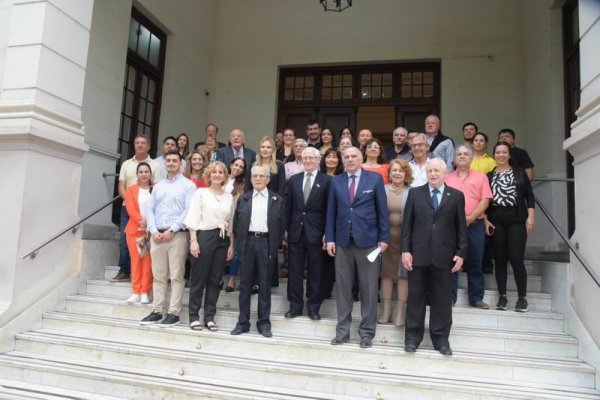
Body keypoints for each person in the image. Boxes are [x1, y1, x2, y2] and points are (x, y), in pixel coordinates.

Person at [401, 158, 468, 356]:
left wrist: (461, 253)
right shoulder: (415, 193)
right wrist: (405, 250)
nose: (432, 174)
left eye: (437, 170)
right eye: (430, 170)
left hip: (444, 256)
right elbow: (407, 226)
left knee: (442, 300)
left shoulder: (456, 196)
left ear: (445, 173)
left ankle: (441, 339)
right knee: (415, 299)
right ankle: (412, 337)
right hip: (418, 255)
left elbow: (461, 229)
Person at [326, 147, 390, 349]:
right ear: (343, 160)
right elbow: (331, 212)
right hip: (343, 243)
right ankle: (342, 332)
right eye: (347, 157)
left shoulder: (375, 180)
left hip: (369, 242)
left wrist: (384, 238)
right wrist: (330, 239)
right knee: (343, 289)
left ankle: (366, 333)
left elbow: (382, 210)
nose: (350, 159)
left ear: (361, 159)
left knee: (369, 289)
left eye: (354, 156)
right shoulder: (336, 181)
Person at [141, 151, 196, 326]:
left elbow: (188, 211)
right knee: (158, 275)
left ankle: (174, 312)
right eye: (168, 161)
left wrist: (172, 229)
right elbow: (150, 210)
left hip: (177, 235)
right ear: (164, 163)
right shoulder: (157, 186)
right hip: (157, 236)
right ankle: (157, 310)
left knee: (176, 275)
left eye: (175, 161)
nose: (171, 163)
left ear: (181, 164)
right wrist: (153, 230)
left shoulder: (188, 186)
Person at [230, 165, 286, 338]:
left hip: (266, 243)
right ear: (251, 178)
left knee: (264, 285)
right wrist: (239, 246)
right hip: (247, 243)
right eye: (255, 176)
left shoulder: (277, 199)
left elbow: (282, 225)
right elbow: (236, 224)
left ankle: (264, 323)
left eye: (262, 176)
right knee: (245, 285)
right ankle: (243, 322)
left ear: (268, 179)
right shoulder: (244, 199)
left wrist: (273, 245)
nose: (258, 179)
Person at [184, 161, 235, 331]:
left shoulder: (229, 197)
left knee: (215, 279)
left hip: (222, 239)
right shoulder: (201, 193)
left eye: (221, 172)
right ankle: (193, 316)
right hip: (204, 236)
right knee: (199, 278)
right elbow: (193, 218)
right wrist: (193, 240)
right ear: (209, 174)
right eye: (214, 172)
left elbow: (231, 223)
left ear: (225, 176)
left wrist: (231, 245)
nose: (217, 175)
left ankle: (210, 317)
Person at [485, 141, 535, 312]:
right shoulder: (489, 176)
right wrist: (485, 220)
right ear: (494, 155)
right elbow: (484, 200)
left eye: (504, 152)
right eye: (497, 152)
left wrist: (531, 216)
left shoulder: (519, 172)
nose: (500, 155)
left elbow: (529, 196)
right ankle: (502, 296)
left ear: (509, 155)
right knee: (499, 260)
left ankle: (522, 298)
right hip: (496, 221)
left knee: (516, 258)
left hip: (517, 220)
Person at [285, 147, 331, 320]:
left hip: (317, 233)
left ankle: (313, 307)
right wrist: (286, 229)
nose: (308, 161)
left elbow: (329, 210)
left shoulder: (327, 181)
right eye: (305, 158)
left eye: (312, 158)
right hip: (296, 231)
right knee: (294, 271)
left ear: (318, 160)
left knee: (316, 271)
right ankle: (295, 306)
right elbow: (289, 207)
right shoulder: (294, 180)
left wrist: (328, 233)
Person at [445, 145, 492, 309]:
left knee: (475, 261)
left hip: (475, 225)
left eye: (466, 154)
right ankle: (449, 297)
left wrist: (471, 218)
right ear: (454, 159)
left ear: (471, 158)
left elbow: (485, 200)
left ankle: (476, 298)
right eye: (459, 154)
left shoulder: (481, 177)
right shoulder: (447, 178)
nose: (462, 156)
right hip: (451, 226)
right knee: (451, 262)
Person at [112, 134, 161, 282]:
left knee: (145, 243)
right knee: (123, 240)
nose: (140, 145)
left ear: (148, 146)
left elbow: (157, 188)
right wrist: (131, 202)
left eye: (143, 143)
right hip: (128, 208)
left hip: (147, 211)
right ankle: (125, 270)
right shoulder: (126, 164)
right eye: (137, 143)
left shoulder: (155, 165)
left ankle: (143, 276)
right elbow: (121, 186)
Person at [379, 159, 412, 326]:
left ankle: (400, 314)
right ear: (389, 174)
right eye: (394, 170)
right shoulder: (382, 190)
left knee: (402, 276)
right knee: (386, 274)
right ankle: (386, 312)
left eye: (400, 170)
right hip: (384, 240)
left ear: (406, 174)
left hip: (405, 240)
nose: (397, 173)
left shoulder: (412, 192)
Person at [124, 162, 154, 304]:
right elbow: (130, 208)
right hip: (135, 230)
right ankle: (135, 291)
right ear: (137, 174)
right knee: (136, 261)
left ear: (150, 173)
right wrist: (140, 221)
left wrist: (148, 223)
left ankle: (144, 292)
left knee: (147, 262)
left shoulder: (155, 189)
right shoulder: (131, 190)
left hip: (150, 232)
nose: (143, 174)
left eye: (146, 171)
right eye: (141, 172)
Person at [319, 148, 343, 299]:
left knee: (332, 260)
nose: (332, 160)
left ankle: (329, 290)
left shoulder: (343, 178)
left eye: (335, 157)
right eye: (329, 157)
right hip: (318, 223)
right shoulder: (318, 177)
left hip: (337, 222)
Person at [223, 157, 246, 292]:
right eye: (236, 164)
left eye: (241, 167)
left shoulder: (242, 184)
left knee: (235, 250)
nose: (237, 168)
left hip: (234, 218)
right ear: (231, 164)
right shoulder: (221, 178)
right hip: (218, 217)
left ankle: (231, 279)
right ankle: (218, 278)